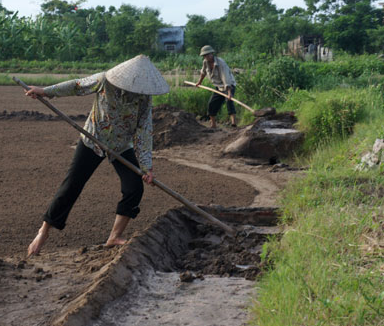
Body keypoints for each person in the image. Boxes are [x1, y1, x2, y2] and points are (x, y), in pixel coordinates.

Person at [24, 55, 169, 257]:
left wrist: (147, 168)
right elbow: (76, 86)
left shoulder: (144, 98)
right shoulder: (104, 80)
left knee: (134, 188)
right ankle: (43, 232)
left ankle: (114, 236)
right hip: (93, 139)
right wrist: (46, 92)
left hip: (120, 146)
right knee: (71, 186)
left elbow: (144, 131)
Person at [195, 45, 237, 128]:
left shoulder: (221, 63)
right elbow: (203, 72)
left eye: (208, 55)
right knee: (212, 104)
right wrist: (199, 82)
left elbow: (226, 78)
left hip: (229, 85)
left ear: (212, 54)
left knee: (229, 101)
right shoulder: (205, 62)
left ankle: (233, 123)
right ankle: (213, 124)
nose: (206, 57)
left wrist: (229, 93)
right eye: (204, 55)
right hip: (218, 86)